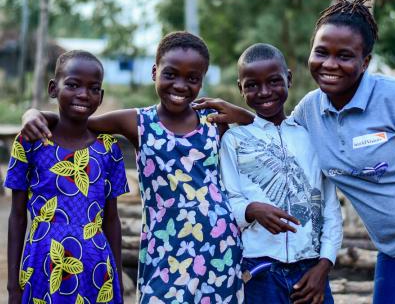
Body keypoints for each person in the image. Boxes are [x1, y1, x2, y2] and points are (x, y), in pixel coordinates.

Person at [193, 0, 395, 304]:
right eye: (321, 52)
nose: (329, 64)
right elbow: (276, 130)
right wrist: (241, 115)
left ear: (365, 61)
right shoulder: (311, 110)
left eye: (344, 56)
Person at [21, 32, 244, 304]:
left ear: (202, 80)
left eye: (192, 78)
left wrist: (238, 111)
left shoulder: (214, 121)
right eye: (171, 74)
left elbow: (260, 130)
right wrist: (33, 114)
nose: (180, 85)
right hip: (165, 247)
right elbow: (76, 120)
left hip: (219, 245)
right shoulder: (136, 122)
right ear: (154, 72)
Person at [219, 43, 342, 304]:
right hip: (259, 270)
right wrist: (252, 209)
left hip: (311, 269)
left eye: (274, 81)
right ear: (240, 88)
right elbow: (228, 198)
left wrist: (324, 265)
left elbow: (330, 207)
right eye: (252, 85)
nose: (264, 92)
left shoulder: (312, 135)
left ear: (288, 78)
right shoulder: (235, 140)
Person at [5, 50, 128, 304]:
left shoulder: (108, 149)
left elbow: (112, 220)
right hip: (41, 265)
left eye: (93, 88)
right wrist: (13, 287)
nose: (83, 94)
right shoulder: (29, 142)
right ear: (53, 88)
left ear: (101, 96)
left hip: (96, 269)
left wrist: (115, 280)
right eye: (72, 84)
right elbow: (17, 216)